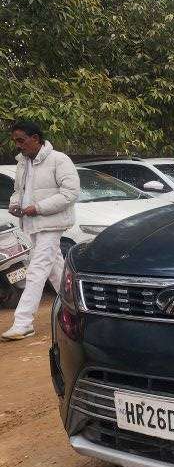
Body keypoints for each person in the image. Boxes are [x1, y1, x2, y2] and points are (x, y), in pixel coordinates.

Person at [2, 120, 80, 341]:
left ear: (35, 138)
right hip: (32, 224)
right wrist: (15, 204)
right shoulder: (22, 163)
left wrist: (38, 208)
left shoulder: (59, 160)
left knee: (36, 270)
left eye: (21, 140)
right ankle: (78, 307)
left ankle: (23, 322)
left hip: (51, 223)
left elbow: (70, 193)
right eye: (15, 141)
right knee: (58, 270)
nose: (18, 145)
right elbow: (18, 191)